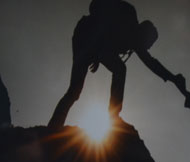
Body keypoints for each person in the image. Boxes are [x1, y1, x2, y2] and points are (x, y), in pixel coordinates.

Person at [49, 0, 179, 127]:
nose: (146, 48)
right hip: (85, 35)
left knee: (78, 89)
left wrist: (173, 78)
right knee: (76, 89)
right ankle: (112, 117)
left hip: (91, 42)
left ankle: (112, 116)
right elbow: (100, 15)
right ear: (143, 34)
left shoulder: (134, 39)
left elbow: (151, 62)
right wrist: (96, 52)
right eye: (148, 44)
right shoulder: (129, 16)